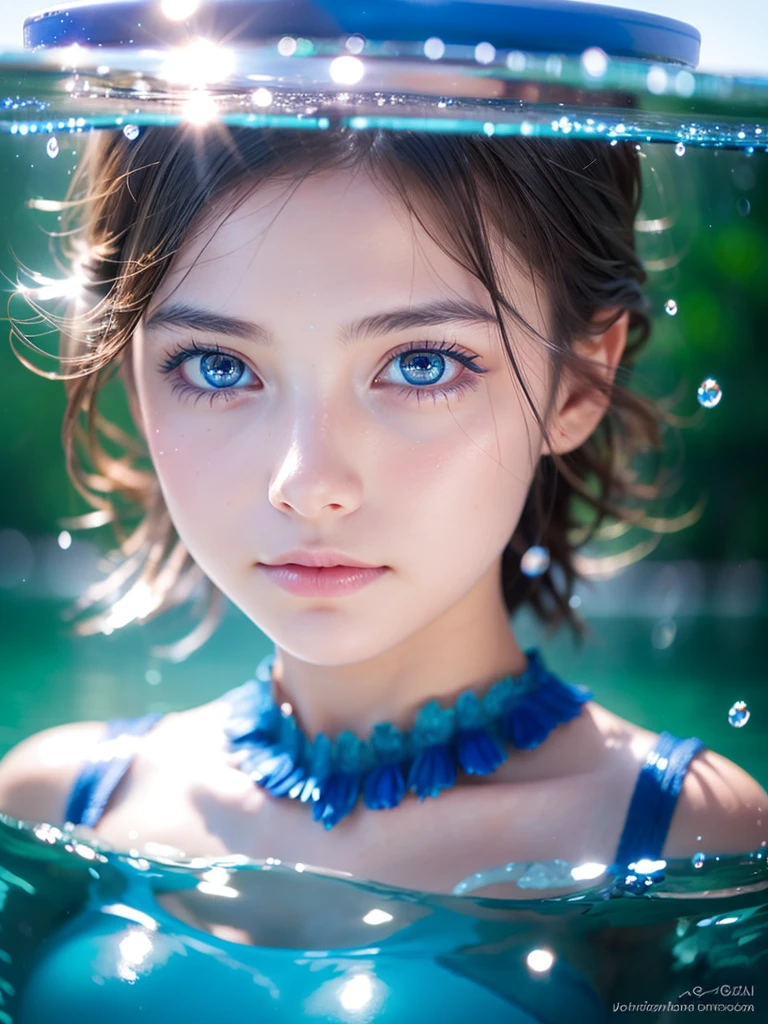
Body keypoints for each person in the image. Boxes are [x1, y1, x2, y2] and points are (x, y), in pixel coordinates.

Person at [0, 122, 765, 899]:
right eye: (218, 366)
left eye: (420, 364)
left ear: (577, 385)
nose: (306, 482)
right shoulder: (54, 808)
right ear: (134, 376)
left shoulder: (693, 843)